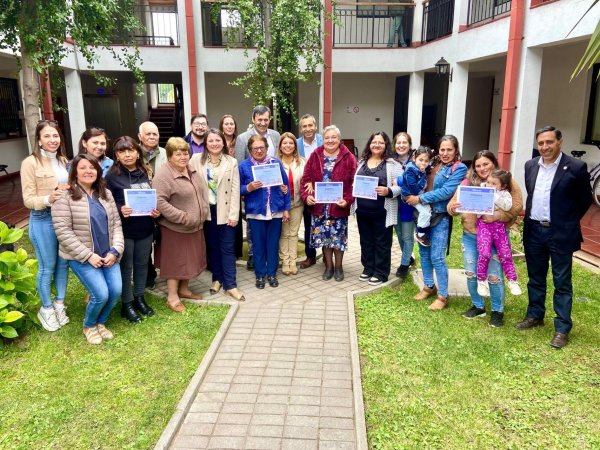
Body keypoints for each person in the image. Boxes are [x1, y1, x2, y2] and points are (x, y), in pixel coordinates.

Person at [517, 126, 592, 348]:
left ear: (560, 141)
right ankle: (535, 316)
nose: (545, 147)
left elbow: (584, 199)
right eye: (541, 143)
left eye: (549, 142)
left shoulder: (575, 167)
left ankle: (562, 328)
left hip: (560, 232)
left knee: (562, 282)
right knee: (535, 277)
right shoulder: (531, 165)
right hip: (534, 231)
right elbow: (532, 194)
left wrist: (566, 220)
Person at [52, 154, 124, 345]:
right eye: (82, 167)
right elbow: (63, 231)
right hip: (81, 257)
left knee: (115, 291)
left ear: (98, 171)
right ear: (74, 172)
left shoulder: (106, 194)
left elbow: (116, 225)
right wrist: (88, 256)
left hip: (108, 254)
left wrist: (115, 251)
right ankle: (89, 325)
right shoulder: (64, 196)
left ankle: (101, 322)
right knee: (100, 294)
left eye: (92, 167)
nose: (88, 171)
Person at [448, 150, 523, 327]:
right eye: (478, 165)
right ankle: (478, 306)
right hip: (471, 236)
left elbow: (517, 206)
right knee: (471, 272)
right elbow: (451, 206)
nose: (482, 168)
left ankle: (497, 311)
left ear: (493, 163)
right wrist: (453, 208)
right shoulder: (468, 183)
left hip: (495, 236)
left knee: (494, 275)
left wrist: (498, 216)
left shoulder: (505, 180)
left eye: (486, 164)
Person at [405, 135, 467, 310]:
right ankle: (428, 286)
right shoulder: (431, 163)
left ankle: (443, 296)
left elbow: (447, 192)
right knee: (424, 253)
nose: (445, 153)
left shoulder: (459, 168)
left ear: (456, 150)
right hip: (422, 215)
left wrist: (419, 198)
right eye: (442, 149)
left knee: (437, 257)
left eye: (449, 150)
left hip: (440, 216)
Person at [21, 120, 70, 332]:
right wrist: (48, 198)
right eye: (47, 136)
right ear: (39, 140)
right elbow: (28, 199)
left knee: (63, 263)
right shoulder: (30, 163)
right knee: (47, 266)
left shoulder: (63, 160)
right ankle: (47, 309)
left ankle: (59, 304)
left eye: (55, 135)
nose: (52, 140)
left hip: (63, 218)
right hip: (43, 219)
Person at [105, 136, 160, 323]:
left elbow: (151, 196)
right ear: (117, 155)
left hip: (145, 227)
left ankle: (139, 298)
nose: (127, 155)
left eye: (131, 150)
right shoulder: (111, 176)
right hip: (124, 230)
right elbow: (106, 202)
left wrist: (155, 210)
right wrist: (120, 208)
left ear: (138, 153)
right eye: (122, 151)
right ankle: (126, 304)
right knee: (126, 267)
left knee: (142, 264)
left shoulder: (145, 171)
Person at [153, 137, 210, 312]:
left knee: (190, 260)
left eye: (185, 153)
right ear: (169, 156)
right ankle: (172, 297)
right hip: (175, 228)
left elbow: (199, 192)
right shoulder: (163, 175)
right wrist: (182, 217)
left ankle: (184, 290)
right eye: (178, 154)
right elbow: (159, 202)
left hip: (194, 226)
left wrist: (203, 210)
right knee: (175, 262)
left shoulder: (191, 169)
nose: (183, 157)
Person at [190, 129, 245, 301]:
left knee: (227, 249)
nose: (214, 143)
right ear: (206, 143)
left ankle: (231, 285)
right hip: (206, 212)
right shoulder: (195, 160)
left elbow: (235, 190)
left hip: (225, 211)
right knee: (212, 247)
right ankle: (217, 279)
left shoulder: (231, 161)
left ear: (223, 142)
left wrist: (234, 215)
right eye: (211, 141)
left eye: (218, 140)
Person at [301, 125, 356, 282]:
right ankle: (329, 267)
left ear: (339, 139)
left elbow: (354, 183)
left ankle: (338, 267)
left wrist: (347, 200)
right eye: (327, 137)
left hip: (338, 206)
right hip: (320, 207)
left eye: (334, 137)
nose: (330, 140)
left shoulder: (348, 157)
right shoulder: (315, 155)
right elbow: (305, 179)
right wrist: (307, 196)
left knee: (338, 239)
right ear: (323, 139)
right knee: (325, 238)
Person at [351, 131, 402, 286]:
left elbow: (402, 186)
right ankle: (368, 268)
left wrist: (389, 190)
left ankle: (381, 272)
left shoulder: (393, 165)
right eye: (374, 142)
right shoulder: (361, 162)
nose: (377, 145)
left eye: (381, 142)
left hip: (383, 211)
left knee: (382, 242)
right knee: (366, 241)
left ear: (386, 145)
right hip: (362, 211)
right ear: (369, 144)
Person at [239, 135, 290, 289]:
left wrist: (286, 208)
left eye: (262, 147)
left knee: (273, 244)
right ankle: (260, 275)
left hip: (275, 210)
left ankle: (272, 274)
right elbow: (237, 188)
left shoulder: (275, 163)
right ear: (250, 150)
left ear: (267, 148)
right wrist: (248, 188)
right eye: (255, 148)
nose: (259, 151)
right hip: (256, 212)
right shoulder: (244, 166)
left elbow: (286, 186)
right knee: (258, 245)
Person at [235, 105, 281, 270]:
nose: (263, 122)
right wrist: (245, 189)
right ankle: (253, 255)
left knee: (272, 225)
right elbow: (239, 163)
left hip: (272, 188)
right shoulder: (242, 138)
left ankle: (271, 256)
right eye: (259, 119)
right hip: (254, 189)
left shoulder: (275, 135)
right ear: (253, 119)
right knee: (253, 224)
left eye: (266, 119)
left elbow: (278, 158)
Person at [475, 169, 522, 297]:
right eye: (488, 182)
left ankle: (512, 280)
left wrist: (493, 194)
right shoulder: (482, 190)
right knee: (484, 253)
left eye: (494, 184)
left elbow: (507, 207)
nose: (490, 185)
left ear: (503, 185)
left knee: (506, 254)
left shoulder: (505, 194)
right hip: (484, 227)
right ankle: (481, 280)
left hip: (499, 228)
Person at [138, 121, 166, 289]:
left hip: (163, 202)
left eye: (155, 134)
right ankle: (148, 276)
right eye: (148, 134)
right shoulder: (133, 153)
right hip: (142, 205)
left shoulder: (165, 153)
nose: (152, 137)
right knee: (145, 245)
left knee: (165, 241)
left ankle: (168, 272)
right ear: (140, 136)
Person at [277, 132, 306, 275]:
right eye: (285, 143)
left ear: (295, 145)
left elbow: (307, 180)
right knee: (283, 233)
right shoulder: (274, 162)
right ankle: (285, 261)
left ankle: (292, 261)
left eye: (291, 143)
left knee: (293, 233)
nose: (287, 146)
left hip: (297, 203)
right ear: (280, 146)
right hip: (281, 205)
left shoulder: (302, 162)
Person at [296, 114, 323, 269]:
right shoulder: (296, 144)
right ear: (301, 129)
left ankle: (327, 255)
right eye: (304, 126)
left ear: (315, 126)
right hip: (305, 190)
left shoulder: (324, 141)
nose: (308, 129)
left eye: (310, 125)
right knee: (308, 225)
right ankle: (310, 256)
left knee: (325, 223)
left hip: (324, 190)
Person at [219, 114, 243, 257]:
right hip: (221, 185)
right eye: (226, 124)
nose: (229, 126)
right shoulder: (217, 141)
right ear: (221, 126)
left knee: (235, 216)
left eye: (232, 124)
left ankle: (235, 251)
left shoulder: (239, 142)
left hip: (235, 184)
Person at [392, 132, 416, 278]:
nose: (401, 145)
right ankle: (408, 257)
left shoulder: (416, 161)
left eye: (404, 142)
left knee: (407, 235)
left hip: (408, 204)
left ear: (409, 145)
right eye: (398, 142)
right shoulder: (390, 161)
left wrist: (399, 181)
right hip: (394, 203)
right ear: (394, 145)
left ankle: (404, 264)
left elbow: (414, 182)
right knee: (400, 234)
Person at [401, 147, 433, 247]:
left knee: (427, 210)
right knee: (425, 212)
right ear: (414, 158)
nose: (423, 163)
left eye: (426, 161)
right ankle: (420, 233)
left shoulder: (419, 167)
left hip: (417, 194)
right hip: (410, 195)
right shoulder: (411, 169)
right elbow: (412, 186)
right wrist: (423, 174)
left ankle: (422, 229)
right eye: (421, 160)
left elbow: (428, 167)